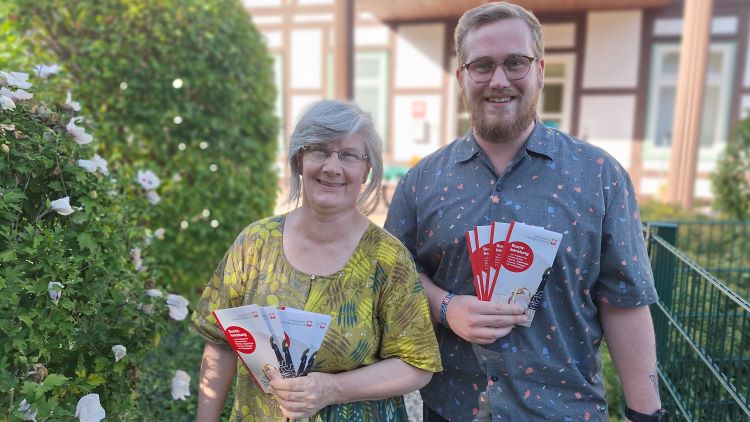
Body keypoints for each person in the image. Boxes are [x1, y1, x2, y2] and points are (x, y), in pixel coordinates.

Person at [384, 2, 667, 421]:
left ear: (540, 70)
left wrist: (647, 414)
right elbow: (395, 276)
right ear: (462, 78)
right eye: (481, 65)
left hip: (565, 411)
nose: (498, 80)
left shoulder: (599, 176)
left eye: (515, 63)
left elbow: (624, 301)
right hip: (452, 410)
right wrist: (445, 306)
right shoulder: (421, 183)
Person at [193, 100, 442, 421]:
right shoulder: (255, 243)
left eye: (349, 155)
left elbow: (417, 364)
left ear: (367, 170)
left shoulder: (387, 258)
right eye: (319, 151)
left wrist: (333, 388)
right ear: (300, 160)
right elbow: (220, 342)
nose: (332, 167)